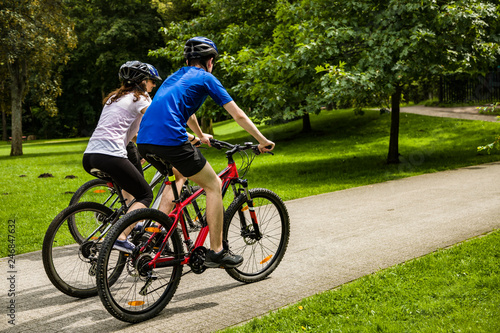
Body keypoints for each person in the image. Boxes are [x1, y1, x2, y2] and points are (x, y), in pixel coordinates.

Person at [136, 37, 275, 268]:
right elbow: (238, 114)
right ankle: (217, 251)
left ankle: (157, 230)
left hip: (145, 141)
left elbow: (186, 113)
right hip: (170, 139)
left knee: (178, 176)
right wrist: (262, 140)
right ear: (210, 61)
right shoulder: (206, 78)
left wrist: (200, 136)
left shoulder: (174, 77)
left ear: (188, 59)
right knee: (213, 185)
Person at [82, 60, 162, 253]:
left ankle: (133, 222)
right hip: (111, 155)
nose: (153, 85)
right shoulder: (141, 98)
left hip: (90, 156)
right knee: (145, 194)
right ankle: (121, 236)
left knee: (131, 192)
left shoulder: (114, 98)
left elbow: (131, 132)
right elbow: (157, 122)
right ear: (142, 81)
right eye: (152, 81)